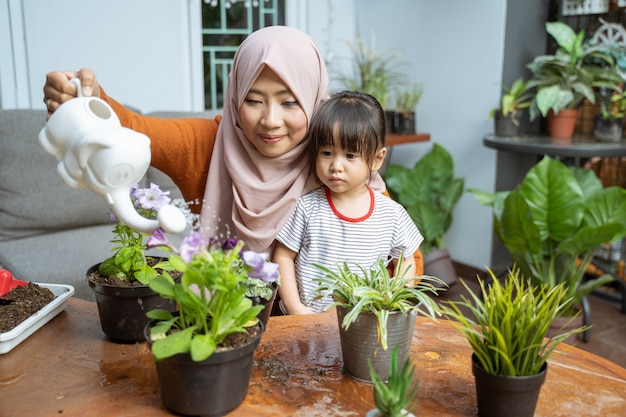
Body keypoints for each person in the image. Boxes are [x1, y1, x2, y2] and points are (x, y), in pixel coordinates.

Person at [42, 25, 424, 274]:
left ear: (313, 101)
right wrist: (83, 97)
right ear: (235, 95)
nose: (270, 120)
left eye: (290, 103)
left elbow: (404, 254)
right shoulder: (208, 145)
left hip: (320, 334)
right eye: (254, 100)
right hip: (221, 331)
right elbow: (132, 126)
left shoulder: (333, 156)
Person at [273, 91, 423, 314]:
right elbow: (283, 256)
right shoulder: (307, 208)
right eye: (326, 152)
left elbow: (407, 259)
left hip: (364, 324)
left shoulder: (391, 213)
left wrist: (393, 295)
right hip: (308, 324)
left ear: (376, 159)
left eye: (350, 155)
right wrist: (295, 308)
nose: (336, 165)